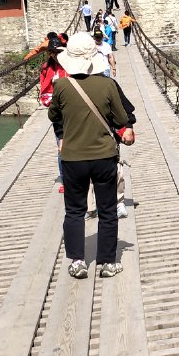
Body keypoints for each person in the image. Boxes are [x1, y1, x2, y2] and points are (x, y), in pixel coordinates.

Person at [48, 32, 134, 279]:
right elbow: (121, 119)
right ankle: (107, 262)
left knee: (74, 210)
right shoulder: (107, 85)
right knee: (107, 210)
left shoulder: (62, 85)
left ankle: (77, 262)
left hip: (73, 158)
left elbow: (53, 116)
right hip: (104, 156)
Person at [35, 33, 68, 190]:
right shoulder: (46, 69)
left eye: (60, 52)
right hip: (58, 113)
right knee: (61, 146)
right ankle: (65, 180)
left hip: (74, 109)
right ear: (50, 54)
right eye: (55, 53)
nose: (57, 55)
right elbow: (44, 94)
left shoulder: (71, 64)